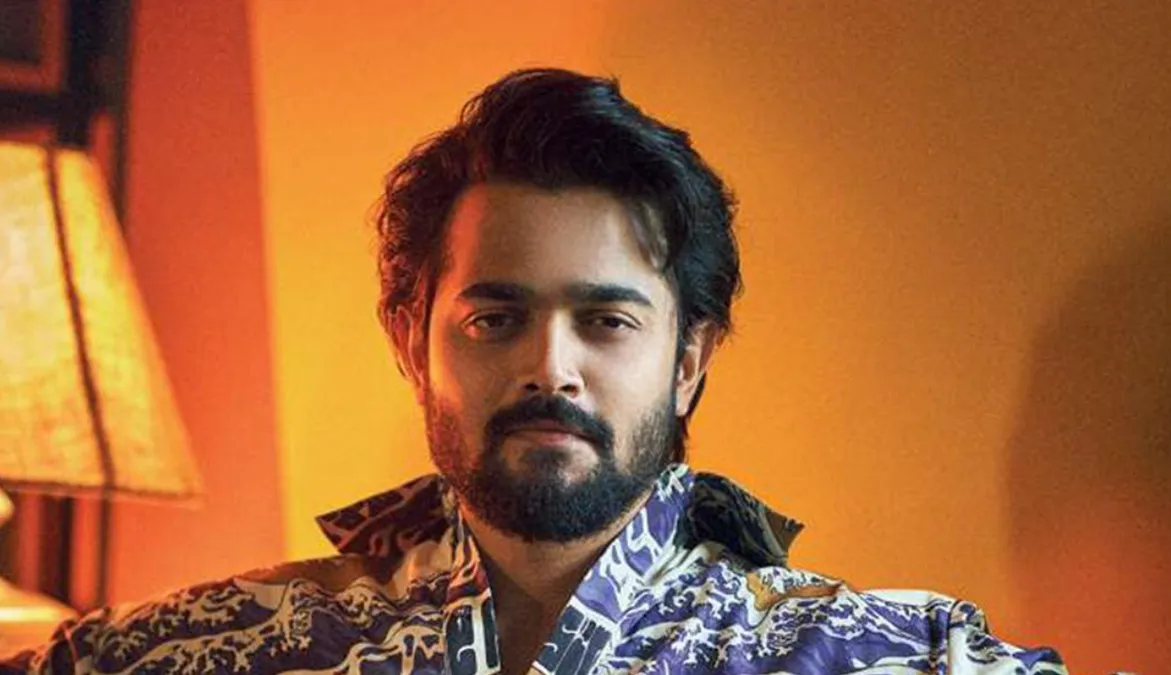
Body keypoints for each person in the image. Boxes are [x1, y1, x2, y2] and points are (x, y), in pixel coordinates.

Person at [2, 68, 1067, 674]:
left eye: (606, 321)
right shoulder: (225, 648)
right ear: (411, 338)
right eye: (495, 317)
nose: (549, 368)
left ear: (689, 359)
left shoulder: (879, 654)